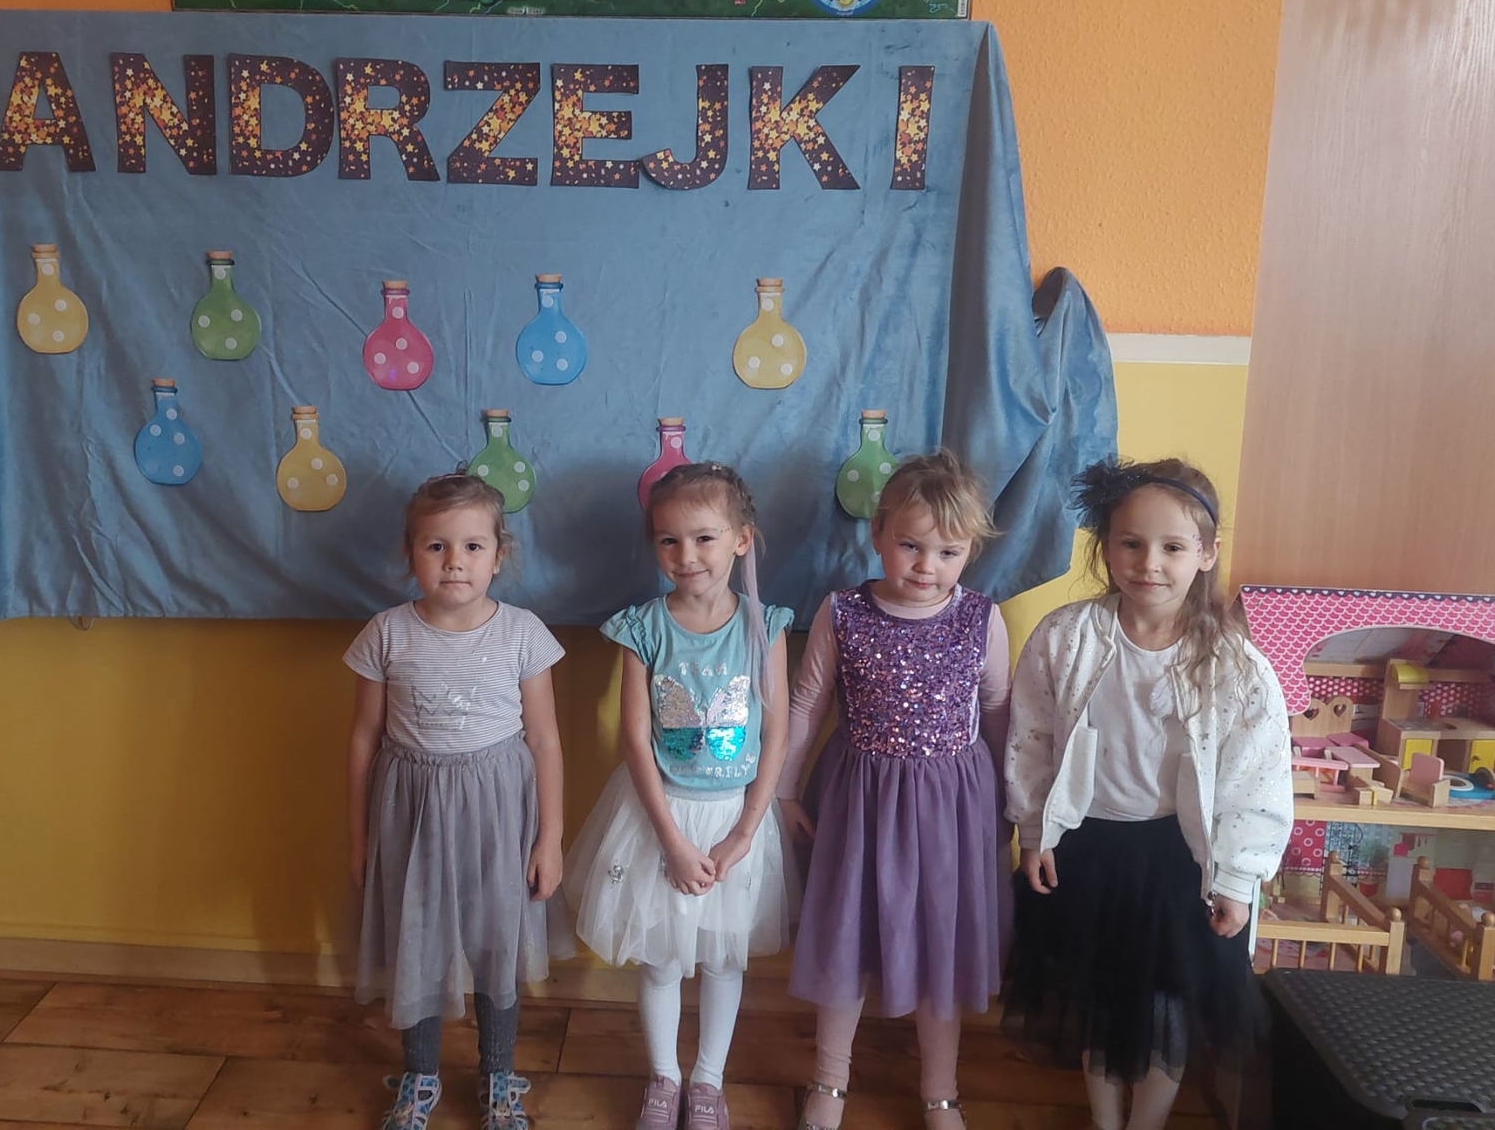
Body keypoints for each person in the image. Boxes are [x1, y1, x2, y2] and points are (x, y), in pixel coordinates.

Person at [1001, 458, 1294, 1130]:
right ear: (1106, 547)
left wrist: (1238, 877)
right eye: (1131, 543)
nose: (1149, 564)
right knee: (1098, 1002)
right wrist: (1035, 831)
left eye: (1172, 547)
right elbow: (1032, 739)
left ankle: (1147, 1123)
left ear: (1206, 554)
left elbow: (1255, 778)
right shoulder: (1066, 638)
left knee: (1165, 1006)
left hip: (1179, 861)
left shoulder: (1234, 664)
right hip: (1087, 850)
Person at [778, 451, 1010, 1130]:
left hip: (952, 808)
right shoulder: (843, 612)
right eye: (910, 545)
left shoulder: (982, 618)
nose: (925, 565)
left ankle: (941, 1091)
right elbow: (807, 703)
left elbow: (998, 711)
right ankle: (830, 1078)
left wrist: (1009, 804)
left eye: (948, 552)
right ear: (878, 533)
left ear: (969, 552)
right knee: (846, 937)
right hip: (859, 801)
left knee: (943, 944)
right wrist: (785, 791)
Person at [566, 463, 795, 1130]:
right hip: (659, 817)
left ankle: (708, 1081)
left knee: (724, 956)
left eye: (703, 538)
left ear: (741, 540)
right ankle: (664, 1078)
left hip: (735, 820)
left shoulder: (765, 626)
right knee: (663, 958)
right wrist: (670, 840)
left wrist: (744, 832)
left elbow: (776, 732)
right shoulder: (643, 627)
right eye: (669, 540)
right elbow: (635, 740)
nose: (686, 555)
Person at [346, 473, 567, 1130]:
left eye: (472, 546)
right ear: (409, 553)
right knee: (417, 942)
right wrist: (357, 837)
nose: (454, 562)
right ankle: (419, 1076)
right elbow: (362, 739)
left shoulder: (523, 633)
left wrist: (550, 838)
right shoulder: (386, 633)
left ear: (499, 555)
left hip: (500, 814)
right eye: (436, 546)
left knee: (499, 944)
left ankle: (498, 1074)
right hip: (410, 815)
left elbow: (545, 740)